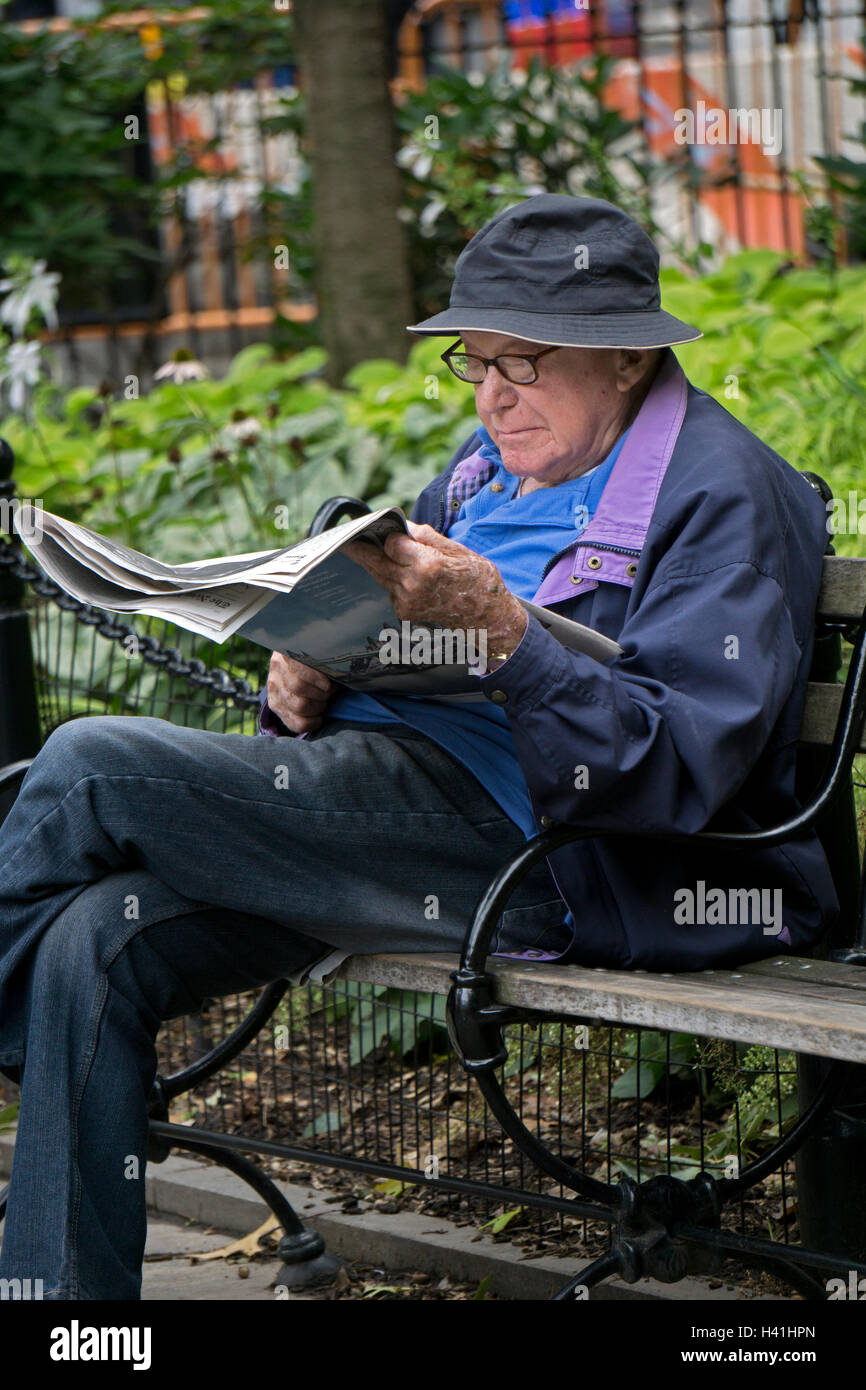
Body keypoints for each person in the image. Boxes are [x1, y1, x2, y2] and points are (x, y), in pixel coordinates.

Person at [0, 194, 837, 1299]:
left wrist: (505, 637)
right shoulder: (490, 465)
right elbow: (389, 598)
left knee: (91, 764)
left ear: (626, 357)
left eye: (522, 362)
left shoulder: (724, 496)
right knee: (94, 941)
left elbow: (671, 770)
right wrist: (307, 653)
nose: (490, 394)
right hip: (389, 803)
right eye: (473, 361)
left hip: (554, 852)